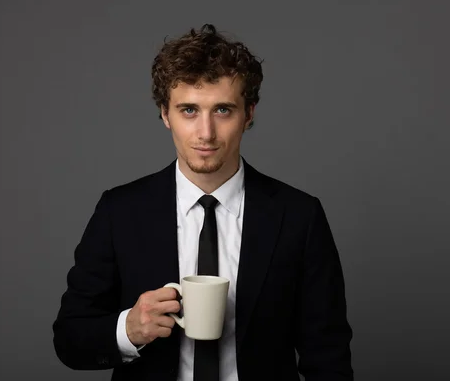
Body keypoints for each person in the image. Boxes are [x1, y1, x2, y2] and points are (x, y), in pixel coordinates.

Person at [52, 23, 353, 381]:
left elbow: (328, 356)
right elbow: (70, 339)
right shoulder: (119, 212)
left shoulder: (299, 216)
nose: (206, 133)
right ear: (166, 114)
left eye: (223, 110)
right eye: (189, 110)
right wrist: (128, 330)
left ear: (249, 114)